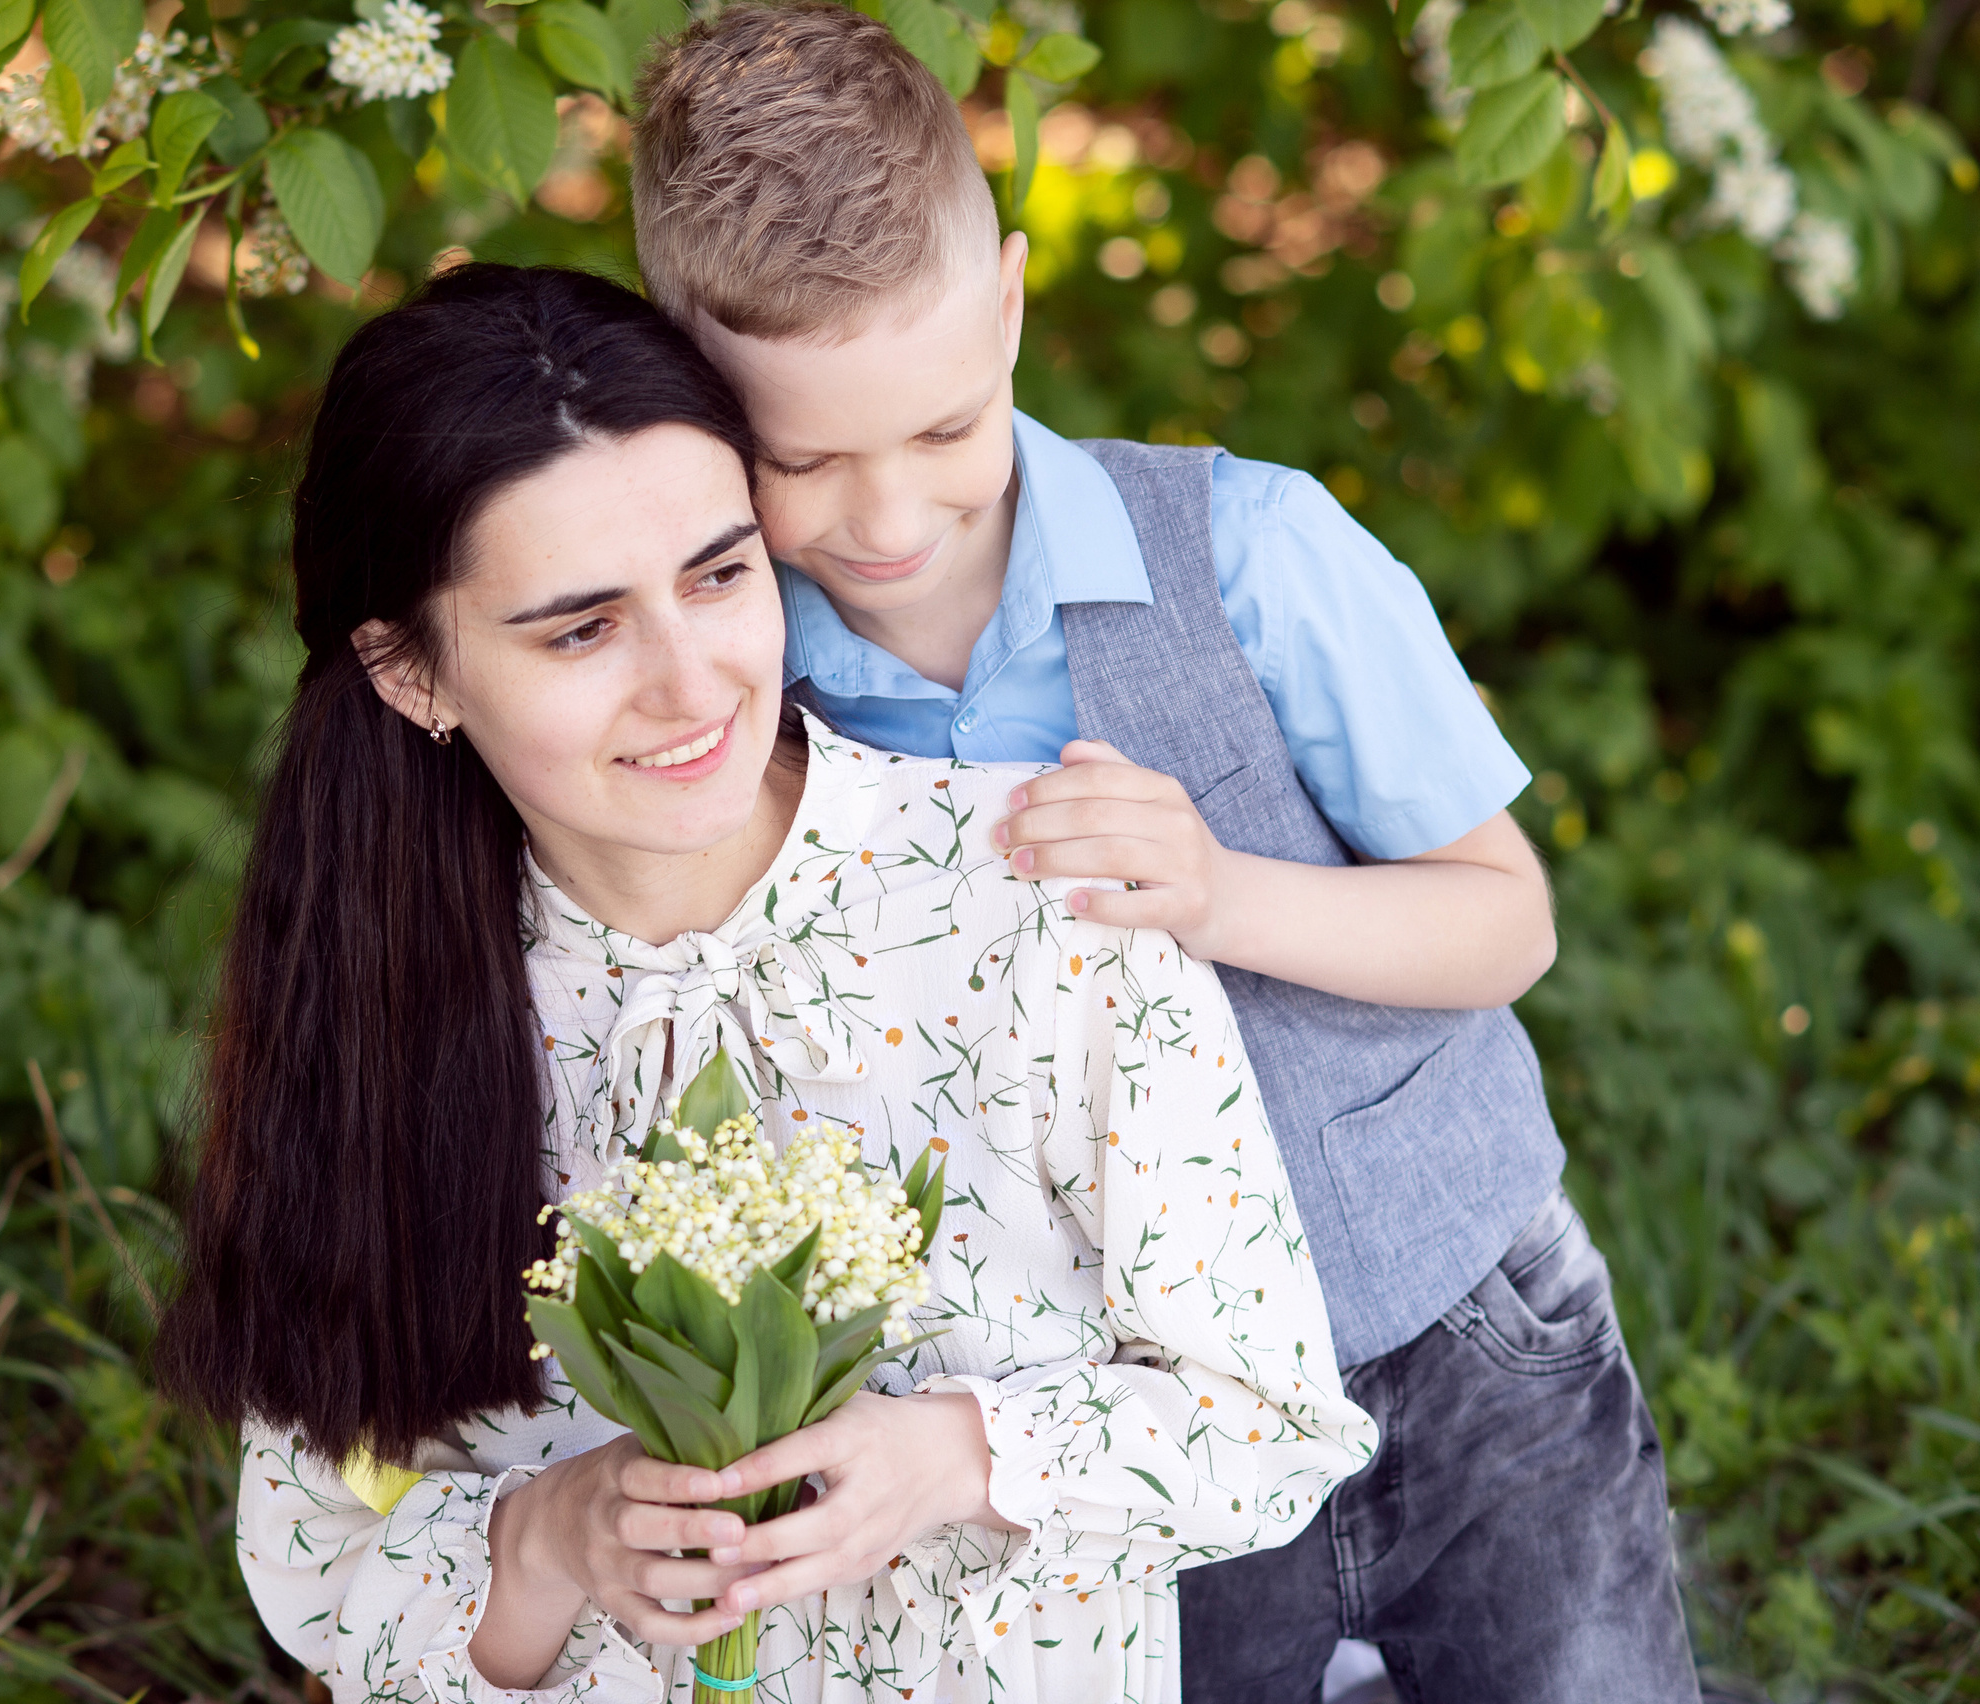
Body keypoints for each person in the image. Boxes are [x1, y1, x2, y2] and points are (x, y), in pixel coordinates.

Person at [626, 10, 1698, 1703]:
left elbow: (1506, 927)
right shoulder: (747, 700)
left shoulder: (1254, 557)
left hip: (1456, 1331)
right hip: (1117, 1409)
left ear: (1011, 307)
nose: (887, 522)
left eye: (940, 430)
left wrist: (1224, 894)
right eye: (802, 460)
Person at [155, 263, 1373, 1703]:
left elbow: (1275, 1428)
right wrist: (546, 1540)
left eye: (720, 575)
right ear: (414, 673)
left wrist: (958, 1458)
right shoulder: (376, 1007)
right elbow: (316, 1581)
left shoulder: (1032, 901)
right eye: (580, 628)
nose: (693, 682)